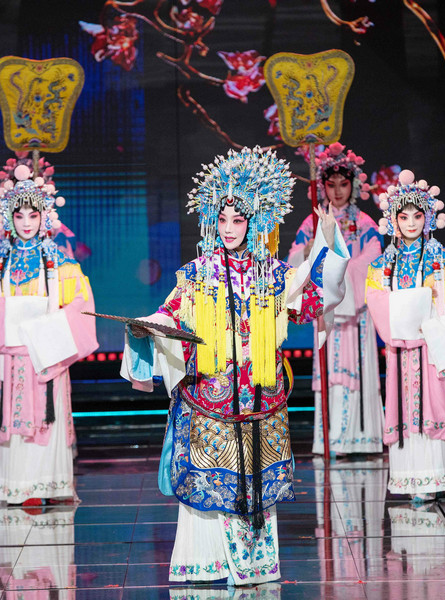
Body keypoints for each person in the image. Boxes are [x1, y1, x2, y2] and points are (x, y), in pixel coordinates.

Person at [120, 146, 350, 585]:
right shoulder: (196, 273)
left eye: (238, 220)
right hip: (210, 398)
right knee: (208, 478)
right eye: (222, 219)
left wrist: (328, 241)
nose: (228, 229)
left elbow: (315, 300)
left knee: (256, 481)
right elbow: (169, 314)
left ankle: (253, 566)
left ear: (255, 221)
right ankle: (206, 563)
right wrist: (144, 327)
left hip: (260, 398)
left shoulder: (274, 275)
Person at [0, 158, 98, 506]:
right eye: (19, 216)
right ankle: (16, 486)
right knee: (12, 415)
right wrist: (15, 315)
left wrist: (46, 326)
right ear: (9, 218)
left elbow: (81, 303)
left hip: (46, 355)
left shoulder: (60, 262)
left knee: (48, 414)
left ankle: (49, 484)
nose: (27, 223)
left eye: (33, 215)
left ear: (45, 216)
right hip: (11, 358)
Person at [366, 169, 445, 502]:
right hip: (402, 352)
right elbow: (375, 301)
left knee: (436, 405)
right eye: (403, 216)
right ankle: (407, 479)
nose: (410, 223)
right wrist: (405, 315)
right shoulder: (381, 266)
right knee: (403, 407)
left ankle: (436, 476)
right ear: (393, 220)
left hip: (435, 348)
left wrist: (437, 320)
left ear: (429, 217)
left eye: (417, 216)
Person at [288, 142, 384, 457]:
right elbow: (294, 260)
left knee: (359, 371)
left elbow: (374, 259)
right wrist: (309, 251)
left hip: (356, 313)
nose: (338, 191)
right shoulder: (312, 223)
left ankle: (362, 438)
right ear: (323, 186)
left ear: (353, 185)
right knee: (329, 373)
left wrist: (342, 271)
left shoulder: (364, 223)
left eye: (344, 184)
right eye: (331, 184)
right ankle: (329, 440)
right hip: (326, 311)